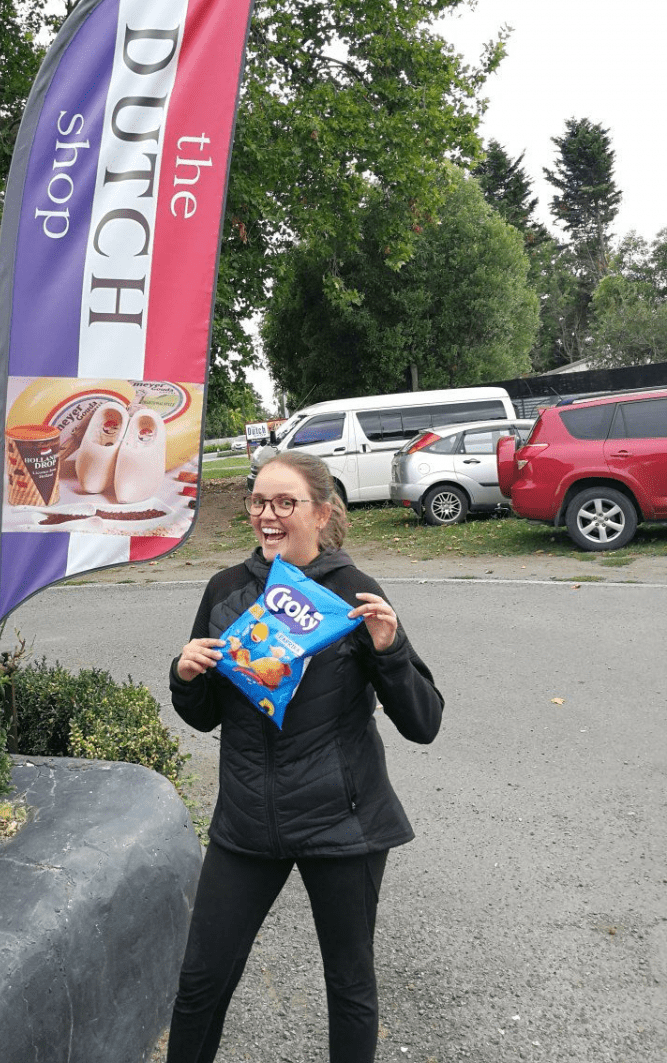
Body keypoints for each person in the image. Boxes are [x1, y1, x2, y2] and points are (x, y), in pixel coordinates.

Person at [166, 450, 443, 1063]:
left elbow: (424, 722)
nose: (268, 515)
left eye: (285, 503)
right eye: (259, 502)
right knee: (200, 984)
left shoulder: (355, 596)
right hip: (246, 824)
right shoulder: (227, 591)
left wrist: (390, 650)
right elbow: (205, 712)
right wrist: (186, 675)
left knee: (349, 987)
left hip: (340, 822)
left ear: (321, 513)